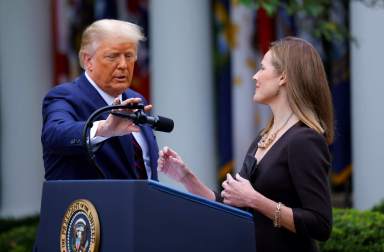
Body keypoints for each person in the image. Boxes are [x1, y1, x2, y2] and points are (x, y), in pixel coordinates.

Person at [158, 37, 333, 251]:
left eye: (262, 69)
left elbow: (321, 225)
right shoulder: (264, 137)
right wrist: (186, 177)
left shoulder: (304, 140)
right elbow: (230, 204)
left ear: (283, 77)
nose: (255, 76)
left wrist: (255, 200)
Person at [42, 19, 159, 181]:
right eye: (113, 56)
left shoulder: (137, 100)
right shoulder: (65, 96)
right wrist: (104, 129)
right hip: (90, 205)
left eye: (129, 56)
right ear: (88, 60)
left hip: (142, 205)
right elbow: (54, 135)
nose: (124, 65)